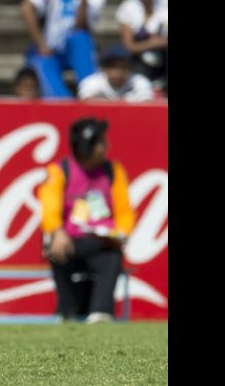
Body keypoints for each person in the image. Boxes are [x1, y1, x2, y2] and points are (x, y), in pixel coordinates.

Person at [37, 118, 136, 323]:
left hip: (102, 243)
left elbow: (125, 212)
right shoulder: (59, 170)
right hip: (70, 241)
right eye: (101, 143)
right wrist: (57, 231)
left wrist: (120, 233)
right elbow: (49, 208)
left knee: (112, 257)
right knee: (56, 251)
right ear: (87, 147)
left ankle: (101, 312)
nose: (106, 147)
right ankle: (67, 312)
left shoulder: (113, 171)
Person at [20, 0, 106, 98]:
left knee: (81, 38)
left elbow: (81, 26)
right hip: (52, 48)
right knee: (42, 61)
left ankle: (89, 93)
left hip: (77, 49)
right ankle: (62, 101)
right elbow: (27, 8)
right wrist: (41, 43)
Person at [115, 0, 168, 90]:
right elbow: (129, 46)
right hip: (139, 60)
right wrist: (152, 43)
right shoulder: (127, 8)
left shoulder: (165, 1)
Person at [77, 44, 155, 102]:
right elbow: (86, 102)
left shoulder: (139, 81)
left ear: (130, 68)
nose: (118, 72)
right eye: (113, 67)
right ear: (104, 68)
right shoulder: (92, 81)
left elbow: (146, 103)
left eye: (123, 67)